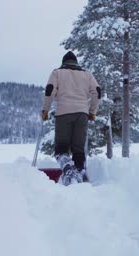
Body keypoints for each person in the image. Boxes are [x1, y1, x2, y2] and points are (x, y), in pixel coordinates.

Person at [41, 51, 101, 186]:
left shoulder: (57, 73)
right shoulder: (87, 74)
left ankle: (68, 167)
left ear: (64, 62)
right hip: (82, 114)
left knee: (61, 149)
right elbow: (97, 92)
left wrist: (45, 110)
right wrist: (92, 111)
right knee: (79, 149)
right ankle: (79, 176)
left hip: (63, 114)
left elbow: (49, 91)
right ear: (76, 62)